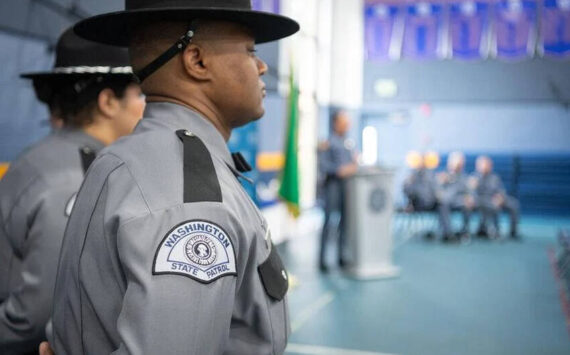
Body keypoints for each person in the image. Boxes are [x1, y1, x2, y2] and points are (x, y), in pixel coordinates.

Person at [50, 1, 299, 354]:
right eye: (249, 51)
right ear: (197, 61)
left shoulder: (128, 156)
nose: (262, 66)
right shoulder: (190, 197)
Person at [0, 28, 144, 355]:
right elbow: (41, 313)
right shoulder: (74, 178)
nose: (144, 107)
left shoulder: (51, 160)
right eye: (139, 95)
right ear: (108, 101)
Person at [319, 110, 358, 272]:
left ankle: (341, 257)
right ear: (336, 123)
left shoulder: (347, 143)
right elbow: (324, 166)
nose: (347, 126)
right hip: (332, 187)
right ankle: (322, 260)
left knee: (345, 223)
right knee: (329, 223)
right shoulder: (327, 143)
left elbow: (352, 164)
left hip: (346, 188)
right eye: (344, 123)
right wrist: (340, 170)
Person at [472, 155, 520, 240]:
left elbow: (501, 190)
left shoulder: (495, 177)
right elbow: (472, 193)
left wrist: (500, 197)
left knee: (514, 204)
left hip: (495, 199)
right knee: (492, 205)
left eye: (487, 164)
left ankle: (513, 231)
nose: (485, 166)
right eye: (482, 164)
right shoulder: (474, 178)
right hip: (481, 201)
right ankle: (494, 230)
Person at [436, 151, 475, 242]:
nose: (458, 164)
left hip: (459, 201)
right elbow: (437, 191)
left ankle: (464, 232)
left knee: (467, 204)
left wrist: (469, 197)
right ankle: (447, 233)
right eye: (455, 162)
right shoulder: (443, 175)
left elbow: (469, 191)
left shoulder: (465, 177)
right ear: (450, 163)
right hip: (445, 201)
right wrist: (441, 183)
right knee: (443, 204)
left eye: (460, 162)